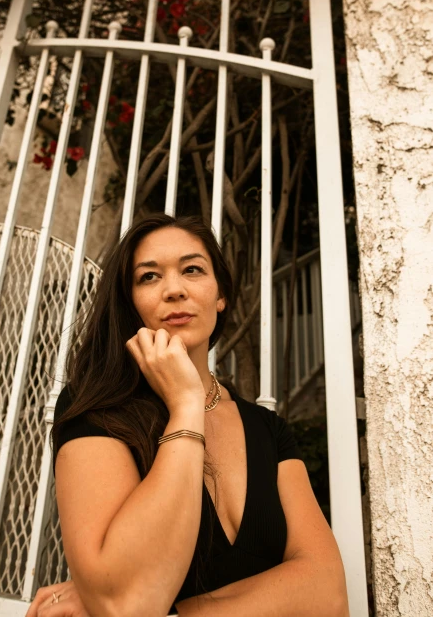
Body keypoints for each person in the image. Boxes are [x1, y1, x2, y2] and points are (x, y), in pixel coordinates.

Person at [26, 214, 349, 617]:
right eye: (149, 277)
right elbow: (126, 602)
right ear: (130, 302)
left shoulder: (269, 429)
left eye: (192, 270)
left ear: (221, 294)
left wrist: (174, 613)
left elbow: (328, 592)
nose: (174, 290)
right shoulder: (97, 409)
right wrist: (185, 407)